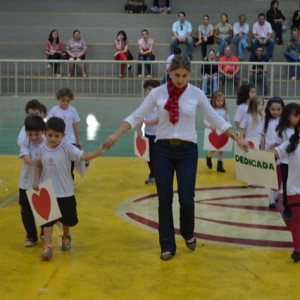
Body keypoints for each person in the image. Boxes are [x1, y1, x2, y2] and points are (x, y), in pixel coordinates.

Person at [102, 54, 248, 261]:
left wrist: (236, 137)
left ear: (189, 74)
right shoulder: (157, 93)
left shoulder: (196, 93)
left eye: (184, 75)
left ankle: (188, 232)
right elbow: (137, 116)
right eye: (176, 74)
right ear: (169, 72)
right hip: (162, 150)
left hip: (188, 151)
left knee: (187, 198)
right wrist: (115, 135)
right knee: (165, 199)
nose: (180, 79)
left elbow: (214, 117)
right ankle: (167, 244)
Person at [33, 117, 105, 260]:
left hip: (65, 191)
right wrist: (36, 181)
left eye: (57, 136)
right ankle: (47, 246)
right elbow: (38, 165)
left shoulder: (67, 148)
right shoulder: (42, 149)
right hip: (47, 191)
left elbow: (83, 157)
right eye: (50, 135)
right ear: (44, 133)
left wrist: (98, 152)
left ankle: (66, 235)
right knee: (47, 220)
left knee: (67, 219)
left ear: (63, 136)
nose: (53, 138)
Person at [274, 118, 300, 262]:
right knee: (298, 218)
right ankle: (297, 249)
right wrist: (252, 153)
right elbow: (274, 152)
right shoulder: (292, 142)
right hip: (294, 189)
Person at [19, 115, 46, 247]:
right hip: (25, 182)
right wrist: (34, 162)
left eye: (37, 134)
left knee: (43, 209)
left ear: (43, 131)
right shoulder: (25, 142)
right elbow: (25, 157)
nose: (34, 137)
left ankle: (44, 231)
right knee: (26, 211)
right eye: (30, 134)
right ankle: (31, 236)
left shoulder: (47, 142)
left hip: (43, 182)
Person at [274, 103, 300, 220]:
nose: (298, 117)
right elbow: (277, 147)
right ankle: (287, 209)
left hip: (296, 165)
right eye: (296, 115)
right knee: (286, 186)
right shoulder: (282, 130)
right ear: (288, 116)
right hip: (285, 162)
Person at [260, 97, 285, 207]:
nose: (276, 112)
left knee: (278, 176)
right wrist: (261, 149)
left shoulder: (284, 121)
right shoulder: (265, 120)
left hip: (280, 153)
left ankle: (275, 195)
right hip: (268, 152)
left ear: (283, 109)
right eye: (273, 109)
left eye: (278, 109)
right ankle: (271, 199)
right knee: (268, 176)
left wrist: (278, 147)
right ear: (269, 109)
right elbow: (262, 135)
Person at [137, 80, 160, 184]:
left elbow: (161, 118)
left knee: (157, 156)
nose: (147, 91)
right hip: (148, 133)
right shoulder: (144, 103)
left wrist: (147, 122)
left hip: (159, 134)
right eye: (145, 90)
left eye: (149, 89)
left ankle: (158, 175)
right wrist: (139, 130)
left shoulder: (160, 103)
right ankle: (153, 174)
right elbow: (140, 117)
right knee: (148, 156)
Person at [204, 91, 229, 173]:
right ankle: (208, 157)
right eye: (218, 101)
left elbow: (227, 121)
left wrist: (229, 128)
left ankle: (219, 165)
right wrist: (210, 126)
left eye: (221, 101)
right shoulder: (210, 110)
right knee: (213, 148)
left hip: (222, 132)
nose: (220, 102)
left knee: (221, 149)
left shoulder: (225, 111)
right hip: (214, 132)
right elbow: (205, 120)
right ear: (214, 101)